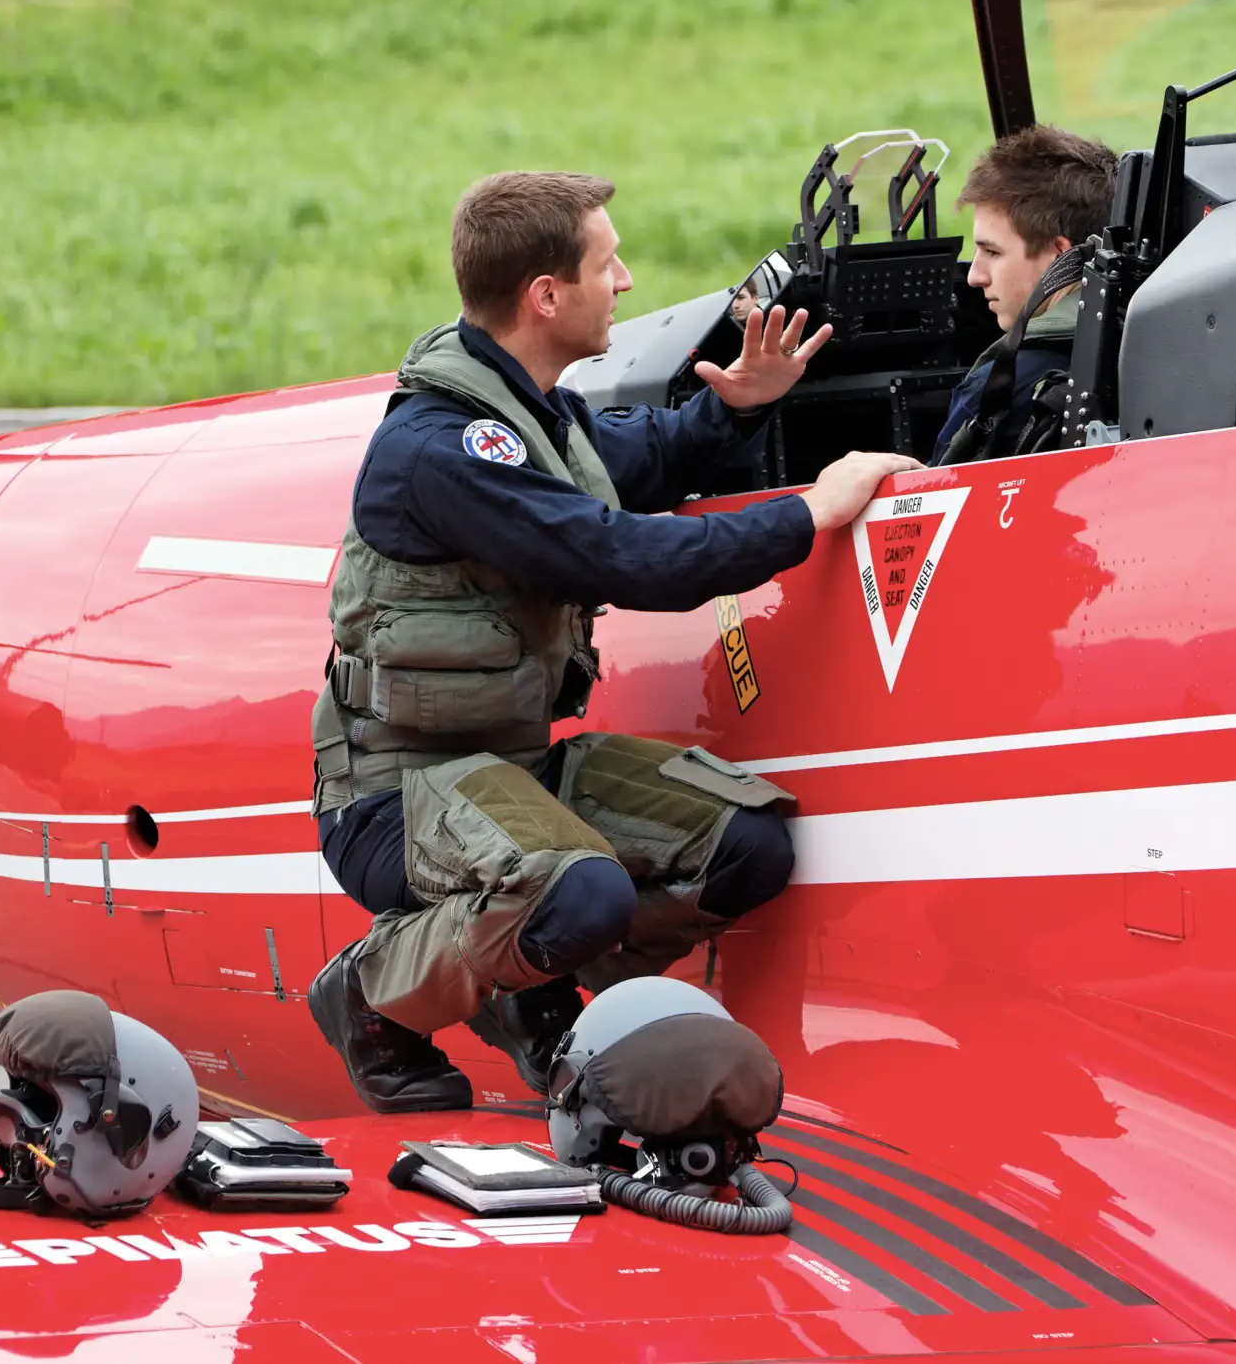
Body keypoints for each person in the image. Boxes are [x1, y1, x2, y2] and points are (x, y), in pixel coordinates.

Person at [307, 169, 915, 1112]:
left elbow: (648, 454)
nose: (625, 280)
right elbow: (626, 558)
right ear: (545, 296)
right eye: (607, 261)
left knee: (745, 846)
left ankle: (523, 980)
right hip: (395, 799)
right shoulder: (445, 450)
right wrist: (812, 513)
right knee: (584, 893)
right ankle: (371, 993)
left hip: (507, 772)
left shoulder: (533, 413)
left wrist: (739, 404)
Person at [932, 124, 1118, 465]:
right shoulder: (1149, 346)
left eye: (992, 252)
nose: (974, 276)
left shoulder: (1001, 389)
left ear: (1061, 255)